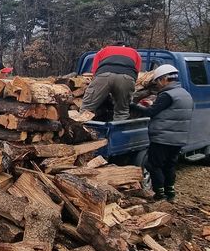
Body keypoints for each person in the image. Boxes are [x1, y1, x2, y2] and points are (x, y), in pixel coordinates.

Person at [130, 64, 193, 201]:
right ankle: (170, 194)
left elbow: (152, 112)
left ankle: (159, 194)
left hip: (163, 138)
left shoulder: (167, 95)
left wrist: (133, 106)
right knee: (169, 165)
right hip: (178, 138)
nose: (157, 85)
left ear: (164, 79)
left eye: (158, 81)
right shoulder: (185, 94)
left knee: (153, 165)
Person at [81, 42, 141, 121]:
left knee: (87, 108)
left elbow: (95, 70)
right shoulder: (135, 53)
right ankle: (118, 131)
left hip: (104, 75)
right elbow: (136, 72)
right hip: (126, 77)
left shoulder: (105, 50)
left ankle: (82, 128)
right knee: (121, 111)